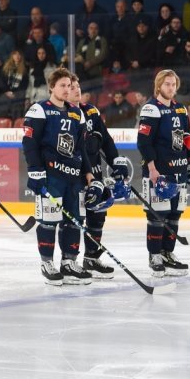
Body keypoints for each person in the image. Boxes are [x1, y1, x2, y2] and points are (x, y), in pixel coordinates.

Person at [22, 68, 95, 285]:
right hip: (51, 177)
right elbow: (30, 144)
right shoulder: (39, 110)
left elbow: (81, 148)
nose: (67, 89)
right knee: (49, 222)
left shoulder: (76, 113)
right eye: (62, 85)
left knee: (74, 221)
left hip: (74, 178)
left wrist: (88, 173)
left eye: (69, 86)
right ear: (51, 87)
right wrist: (35, 172)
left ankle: (69, 262)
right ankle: (47, 262)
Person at [71, 74, 132, 277]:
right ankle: (68, 261)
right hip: (74, 175)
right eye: (72, 87)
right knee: (73, 220)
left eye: (78, 86)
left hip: (94, 174)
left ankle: (91, 258)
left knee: (97, 217)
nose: (77, 90)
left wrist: (116, 162)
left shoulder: (90, 111)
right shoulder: (61, 114)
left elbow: (105, 140)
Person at [137, 70, 190, 276]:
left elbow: (186, 136)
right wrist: (152, 169)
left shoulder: (180, 109)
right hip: (159, 172)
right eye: (167, 84)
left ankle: (168, 253)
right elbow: (143, 142)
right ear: (159, 86)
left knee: (174, 215)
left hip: (179, 170)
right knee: (157, 215)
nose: (171, 88)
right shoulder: (151, 109)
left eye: (173, 84)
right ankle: (154, 256)